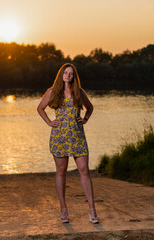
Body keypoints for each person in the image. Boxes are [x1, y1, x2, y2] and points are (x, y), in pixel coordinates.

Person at [37, 63, 99, 224]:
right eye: (65, 73)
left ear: (74, 76)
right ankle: (63, 208)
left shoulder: (79, 92)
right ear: (61, 75)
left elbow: (90, 108)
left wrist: (84, 119)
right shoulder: (53, 92)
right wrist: (50, 122)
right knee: (61, 172)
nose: (68, 76)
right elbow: (40, 108)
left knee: (84, 170)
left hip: (78, 136)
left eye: (71, 73)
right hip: (60, 137)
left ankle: (92, 210)